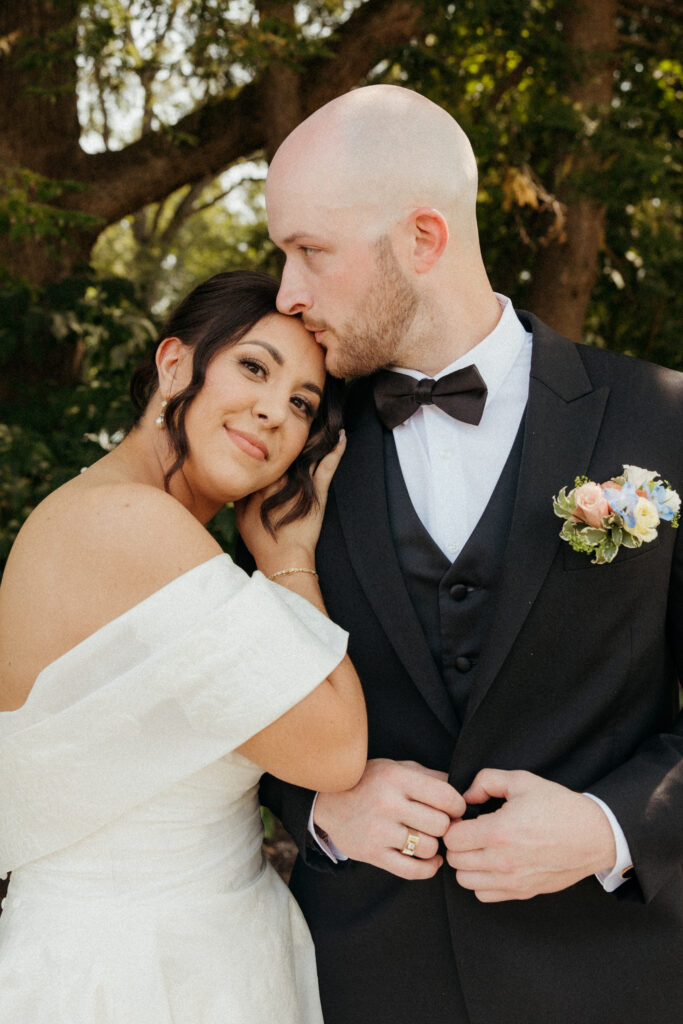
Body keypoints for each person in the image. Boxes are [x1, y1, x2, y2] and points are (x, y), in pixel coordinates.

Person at [257, 85, 683, 1024]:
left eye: (309, 252)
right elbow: (227, 692)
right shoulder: (280, 451)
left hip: (615, 982)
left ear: (422, 239)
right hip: (366, 984)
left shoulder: (663, 418)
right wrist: (320, 806)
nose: (285, 293)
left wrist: (609, 826)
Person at [0, 270, 367, 1023]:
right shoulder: (128, 523)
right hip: (131, 974)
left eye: (302, 403)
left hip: (207, 953)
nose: (273, 411)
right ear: (175, 367)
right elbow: (335, 749)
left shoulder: (127, 519)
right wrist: (288, 560)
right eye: (254, 366)